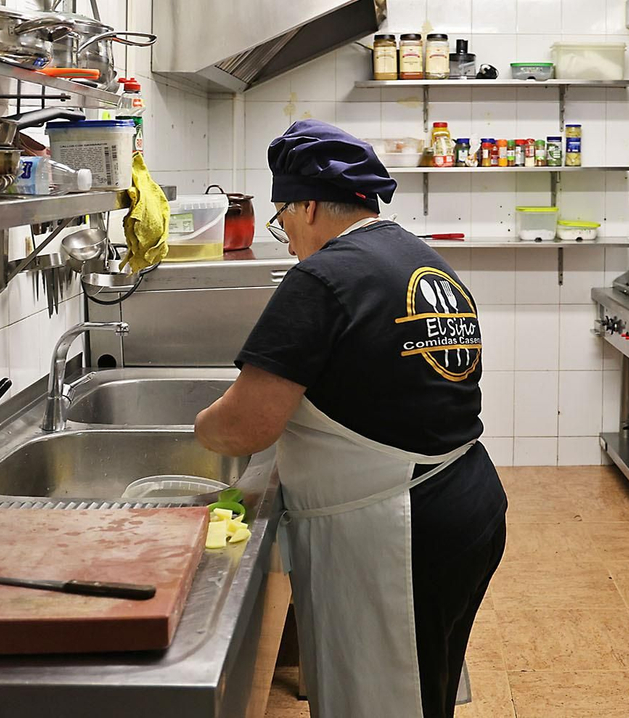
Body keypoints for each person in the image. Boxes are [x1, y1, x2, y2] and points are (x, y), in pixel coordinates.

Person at [194, 120, 506, 718]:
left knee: (385, 705)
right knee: (423, 691)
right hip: (466, 497)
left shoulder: (321, 277)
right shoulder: (415, 256)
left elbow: (244, 427)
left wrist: (197, 429)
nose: (283, 235)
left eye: (281, 215)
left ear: (308, 204)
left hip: (398, 524)